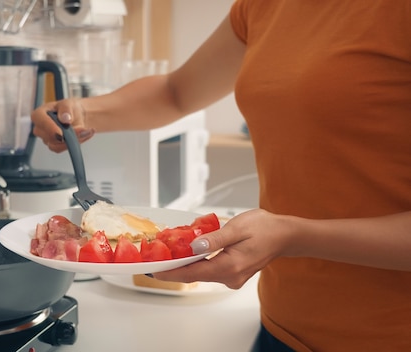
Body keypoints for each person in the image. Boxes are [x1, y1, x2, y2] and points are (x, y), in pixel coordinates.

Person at [30, 1, 411, 351]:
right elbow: (176, 92)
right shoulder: (264, 7)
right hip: (282, 326)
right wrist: (79, 112)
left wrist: (294, 235)